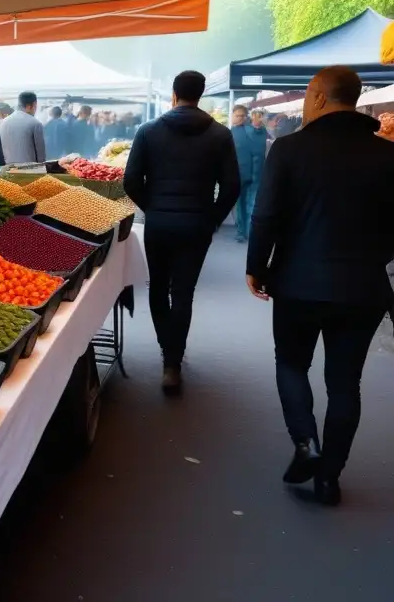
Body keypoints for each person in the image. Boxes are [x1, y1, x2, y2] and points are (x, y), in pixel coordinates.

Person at [246, 67, 394, 506]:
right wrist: (373, 260)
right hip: (363, 287)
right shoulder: (388, 156)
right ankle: (329, 479)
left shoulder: (290, 150)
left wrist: (257, 265)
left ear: (318, 97)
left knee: (291, 363)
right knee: (346, 382)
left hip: (297, 282)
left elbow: (266, 214)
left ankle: (306, 442)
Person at [123, 70, 240, 394]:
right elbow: (231, 186)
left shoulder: (148, 131)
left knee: (159, 288)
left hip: (160, 223)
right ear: (201, 95)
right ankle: (173, 361)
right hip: (197, 224)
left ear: (173, 95)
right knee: (184, 291)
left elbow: (131, 181)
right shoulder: (220, 135)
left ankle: (167, 348)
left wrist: (153, 208)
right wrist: (213, 218)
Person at [230, 105, 268, 243]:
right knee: (241, 204)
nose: (239, 118)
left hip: (255, 174)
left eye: (241, 115)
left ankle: (249, 231)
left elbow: (258, 134)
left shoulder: (252, 130)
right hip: (240, 174)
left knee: (251, 203)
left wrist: (257, 126)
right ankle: (242, 231)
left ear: (246, 117)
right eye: (236, 115)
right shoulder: (232, 132)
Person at [0, 92, 45, 165]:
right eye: (35, 106)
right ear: (31, 105)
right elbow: (40, 154)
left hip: (8, 168)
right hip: (29, 170)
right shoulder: (35, 123)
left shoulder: (4, 122)